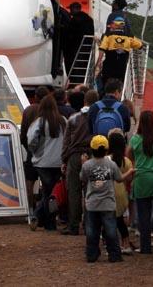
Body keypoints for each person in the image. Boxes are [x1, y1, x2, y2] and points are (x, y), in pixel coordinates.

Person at [81, 135, 134, 263]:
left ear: (92, 149)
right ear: (106, 150)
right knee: (111, 231)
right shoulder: (111, 164)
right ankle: (114, 254)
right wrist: (130, 172)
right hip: (108, 203)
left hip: (92, 204)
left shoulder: (87, 165)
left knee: (92, 231)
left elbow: (82, 178)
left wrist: (83, 163)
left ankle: (92, 254)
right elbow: (119, 179)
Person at [128, 110, 153, 254]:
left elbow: (129, 155)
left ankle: (145, 247)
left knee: (144, 215)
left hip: (143, 179)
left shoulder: (136, 140)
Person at [27, 94, 67, 231]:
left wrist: (35, 151)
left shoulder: (39, 122)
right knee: (52, 193)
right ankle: (47, 221)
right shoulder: (63, 121)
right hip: (59, 161)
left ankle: (39, 217)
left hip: (42, 162)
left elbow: (31, 140)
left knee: (47, 192)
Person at [61, 91, 97, 235]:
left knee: (74, 191)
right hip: (93, 155)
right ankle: (90, 225)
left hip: (74, 156)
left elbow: (66, 142)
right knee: (90, 190)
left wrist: (64, 159)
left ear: (84, 101)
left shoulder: (73, 118)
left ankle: (73, 225)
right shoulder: (98, 117)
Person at [20, 85, 49, 213]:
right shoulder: (50, 112)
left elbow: (23, 135)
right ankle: (45, 209)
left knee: (30, 181)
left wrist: (29, 149)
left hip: (32, 152)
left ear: (36, 97)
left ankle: (30, 209)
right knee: (47, 182)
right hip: (46, 152)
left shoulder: (28, 110)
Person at [107, 130, 136, 254]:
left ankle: (111, 245)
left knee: (108, 220)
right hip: (122, 194)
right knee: (120, 219)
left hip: (108, 193)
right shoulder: (126, 161)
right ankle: (126, 243)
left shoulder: (107, 160)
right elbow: (129, 179)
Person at [63, 1, 94, 75]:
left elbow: (70, 34)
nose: (70, 11)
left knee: (74, 68)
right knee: (83, 68)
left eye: (71, 9)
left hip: (75, 49)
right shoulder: (89, 19)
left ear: (75, 9)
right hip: (86, 48)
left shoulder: (75, 19)